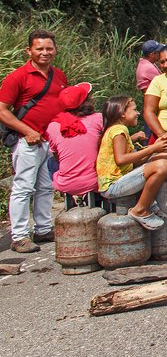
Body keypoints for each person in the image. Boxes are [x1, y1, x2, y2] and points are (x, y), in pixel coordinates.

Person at [0, 29, 67, 253]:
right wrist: (26, 130)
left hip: (50, 141)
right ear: (29, 50)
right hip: (27, 142)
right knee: (23, 188)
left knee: (46, 187)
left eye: (49, 48)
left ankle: (43, 228)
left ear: (55, 50)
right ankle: (19, 236)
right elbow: (2, 110)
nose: (44, 53)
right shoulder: (18, 77)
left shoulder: (58, 76)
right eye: (39, 48)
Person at [96, 96, 167, 230]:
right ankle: (141, 209)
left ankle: (148, 202)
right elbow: (121, 159)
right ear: (122, 113)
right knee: (161, 165)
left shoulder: (118, 129)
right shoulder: (119, 130)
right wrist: (152, 148)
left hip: (121, 180)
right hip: (113, 186)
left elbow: (135, 161)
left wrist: (154, 148)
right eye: (134, 110)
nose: (138, 113)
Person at [46, 83, 103, 197]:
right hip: (96, 181)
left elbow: (57, 156)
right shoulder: (98, 119)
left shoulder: (53, 126)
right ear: (87, 101)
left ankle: (68, 196)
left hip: (66, 184)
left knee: (51, 161)